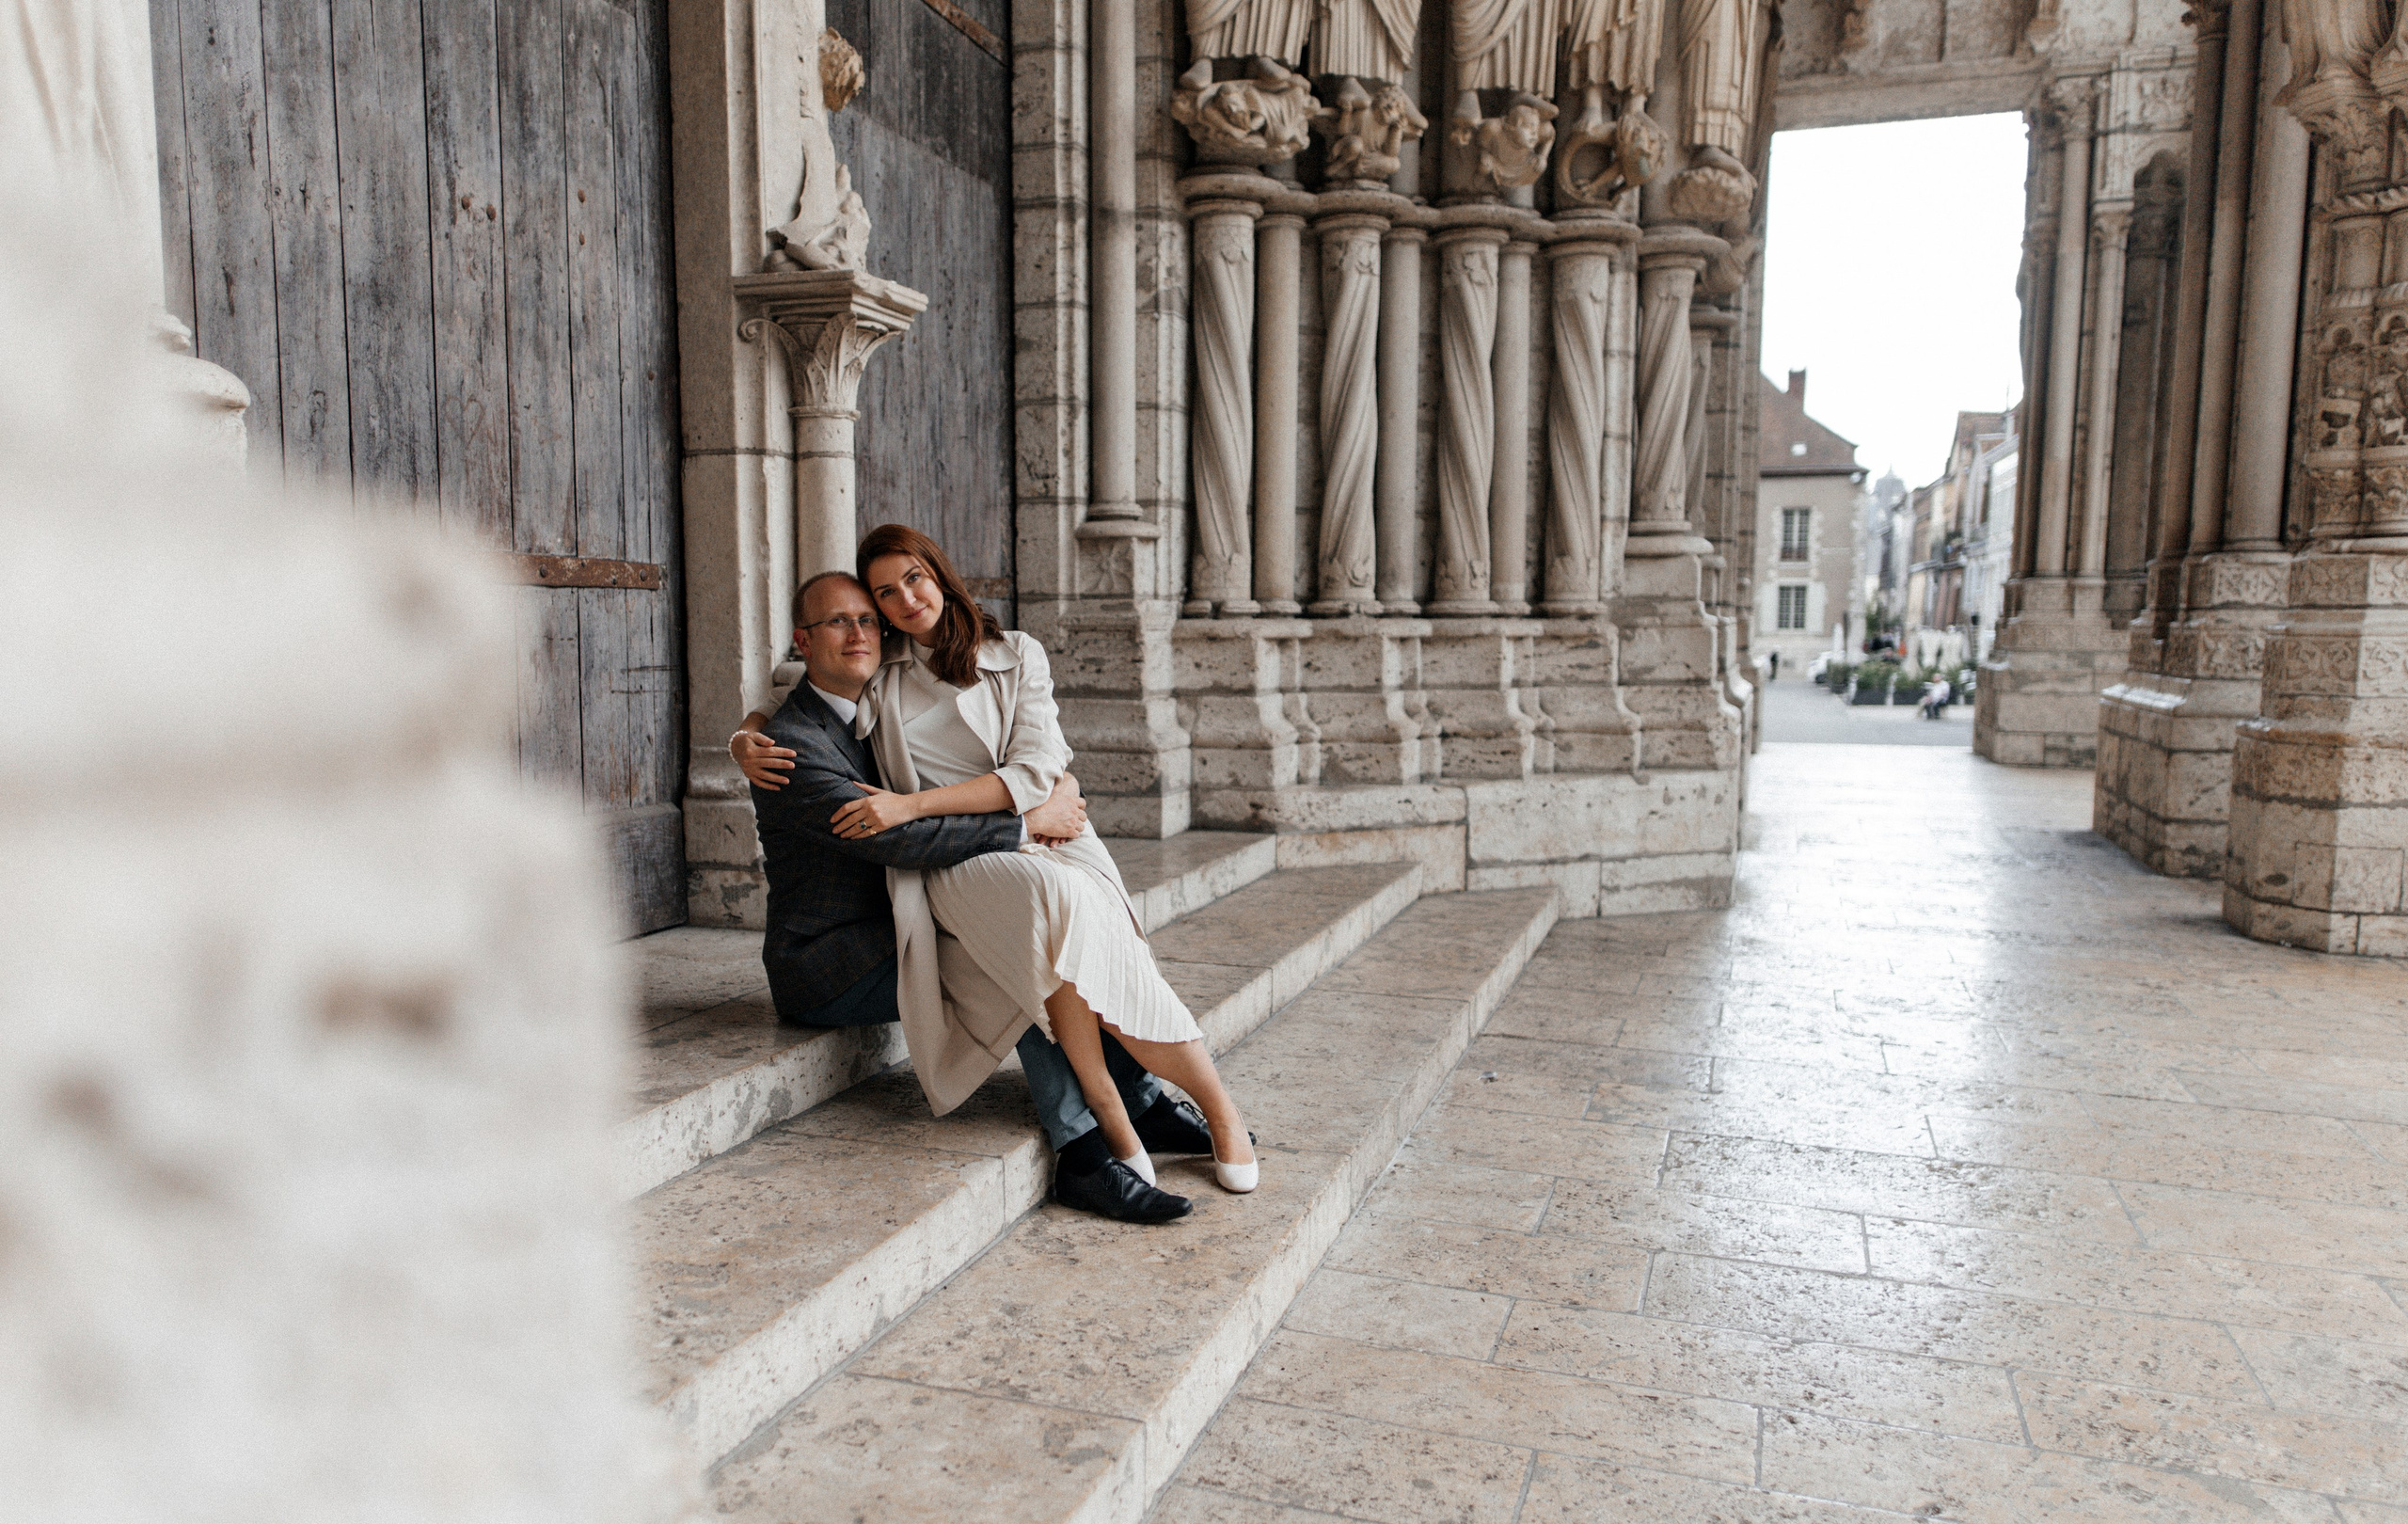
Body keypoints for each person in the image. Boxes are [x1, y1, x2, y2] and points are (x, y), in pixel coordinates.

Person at [730, 569, 1210, 1224]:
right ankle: (1082, 1156)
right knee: (1011, 951)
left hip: (906, 918)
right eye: (838, 622)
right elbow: (897, 839)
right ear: (803, 640)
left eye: (868, 620)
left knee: (1050, 926)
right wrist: (1026, 824)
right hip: (830, 959)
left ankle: (1140, 1099)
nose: (859, 633)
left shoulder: (880, 696)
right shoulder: (789, 747)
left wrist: (1052, 784)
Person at [833, 523, 1259, 1197]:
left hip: (1053, 835)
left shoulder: (1016, 652)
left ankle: (1212, 1107)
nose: (905, 599)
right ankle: (1115, 1105)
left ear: (939, 574)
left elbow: (1036, 770)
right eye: (885, 592)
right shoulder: (879, 674)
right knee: (1053, 898)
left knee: (1082, 919)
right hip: (956, 861)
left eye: (914, 578)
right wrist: (746, 735)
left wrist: (912, 805)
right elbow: (796, 691)